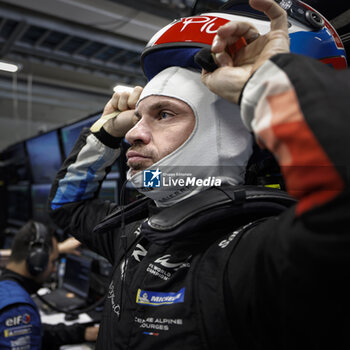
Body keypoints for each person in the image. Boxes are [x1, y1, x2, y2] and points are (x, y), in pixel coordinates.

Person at [48, 0, 350, 349]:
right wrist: (104, 136)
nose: (132, 134)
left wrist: (268, 86)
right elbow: (66, 206)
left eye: (163, 114)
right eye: (136, 119)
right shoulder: (137, 234)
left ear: (230, 136)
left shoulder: (259, 254)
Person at [0, 220, 99, 350]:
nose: (54, 269)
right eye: (52, 262)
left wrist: (83, 333)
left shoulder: (6, 289)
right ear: (37, 263)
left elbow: (35, 332)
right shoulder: (17, 309)